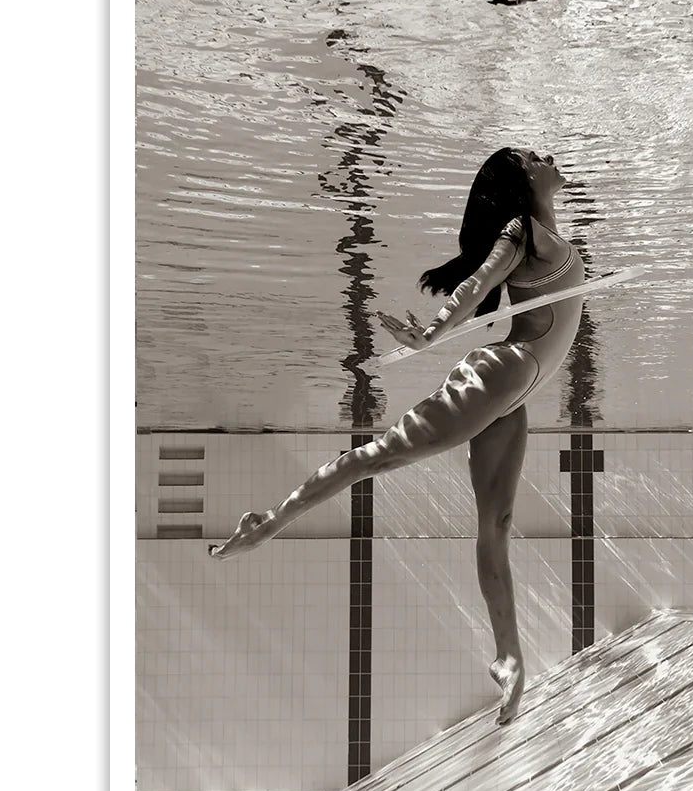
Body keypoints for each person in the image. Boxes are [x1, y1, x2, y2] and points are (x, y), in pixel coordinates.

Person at [209, 147, 585, 725]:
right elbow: (478, 283)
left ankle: (509, 658)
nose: (549, 156)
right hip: (500, 376)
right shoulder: (523, 231)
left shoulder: (546, 230)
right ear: (523, 178)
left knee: (498, 524)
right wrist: (431, 334)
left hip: (518, 390)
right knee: (375, 458)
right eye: (536, 155)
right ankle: (267, 525)